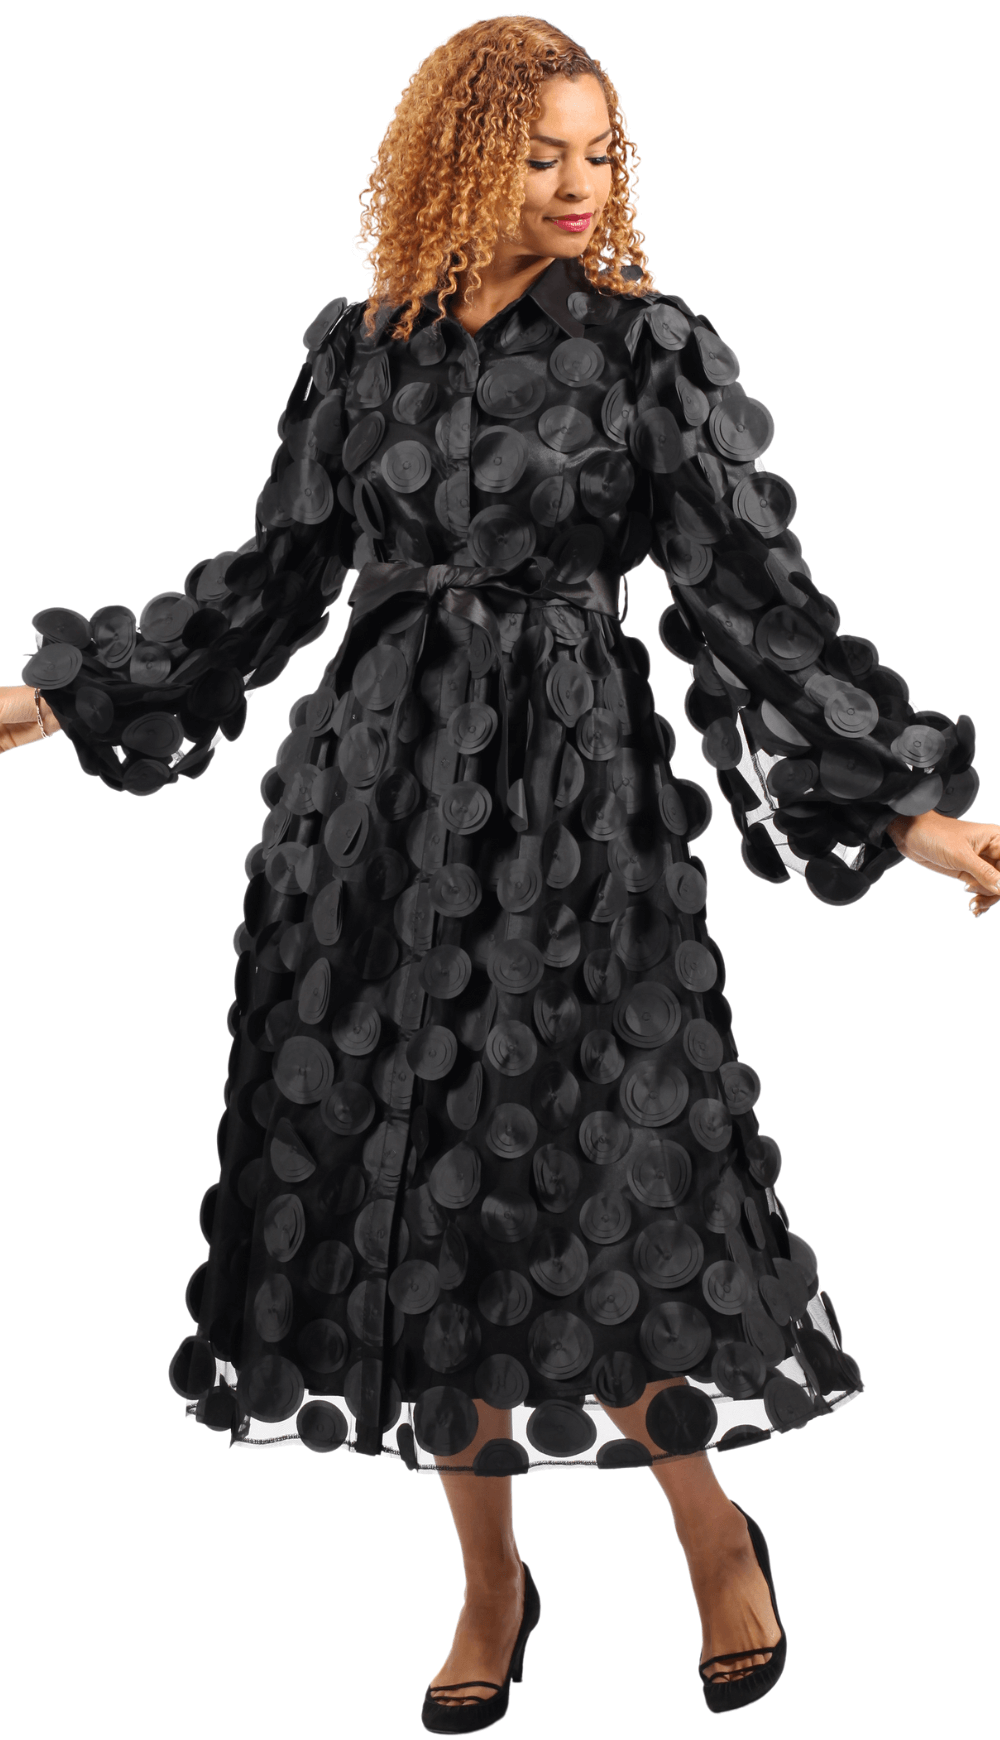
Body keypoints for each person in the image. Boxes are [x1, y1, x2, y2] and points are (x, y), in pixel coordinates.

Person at [4, 15, 998, 1729]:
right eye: (541, 153)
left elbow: (751, 601)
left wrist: (908, 813)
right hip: (368, 819)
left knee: (610, 1177)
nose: (577, 184)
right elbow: (271, 578)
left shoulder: (645, 350)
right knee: (410, 1192)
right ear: (460, 158)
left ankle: (713, 1534)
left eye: (600, 152)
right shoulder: (363, 355)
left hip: (573, 818)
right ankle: (487, 1581)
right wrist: (57, 698)